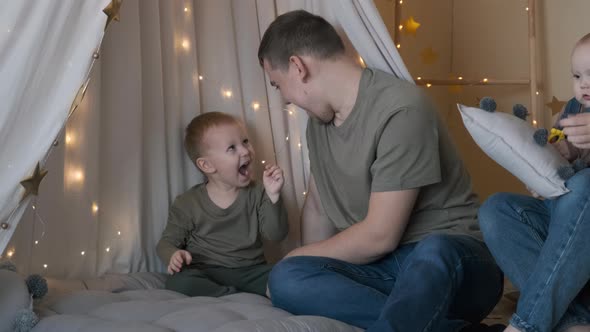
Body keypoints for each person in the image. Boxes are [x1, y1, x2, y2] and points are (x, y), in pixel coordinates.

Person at [258, 9, 504, 332]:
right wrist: (304, 262)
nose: (286, 101)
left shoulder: (401, 109)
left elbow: (380, 236)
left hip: (453, 263)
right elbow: (318, 209)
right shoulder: (319, 126)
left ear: (297, 67)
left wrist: (297, 255)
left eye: (278, 86)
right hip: (385, 271)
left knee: (433, 251)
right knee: (285, 278)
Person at [479, 33, 590, 332]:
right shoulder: (572, 109)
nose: (584, 84)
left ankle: (526, 325)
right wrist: (545, 169)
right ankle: (575, 323)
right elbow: (555, 150)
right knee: (496, 209)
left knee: (585, 185)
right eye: (578, 75)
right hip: (566, 227)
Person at [156, 112, 288, 297]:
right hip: (207, 271)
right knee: (179, 282)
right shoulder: (188, 202)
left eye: (245, 141)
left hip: (251, 271)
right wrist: (173, 254)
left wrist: (274, 196)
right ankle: (231, 295)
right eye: (232, 148)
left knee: (288, 274)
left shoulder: (258, 191)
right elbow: (165, 242)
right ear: (207, 165)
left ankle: (241, 292)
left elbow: (276, 235)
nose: (245, 150)